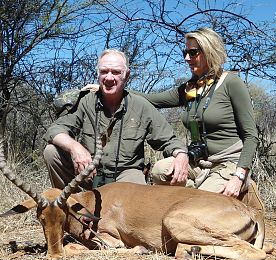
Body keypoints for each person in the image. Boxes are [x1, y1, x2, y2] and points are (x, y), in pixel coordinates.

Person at [81, 28, 259, 199]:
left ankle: (224, 191)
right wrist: (108, 90)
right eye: (185, 53)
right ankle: (196, 196)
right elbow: (153, 99)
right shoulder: (191, 88)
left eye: (193, 52)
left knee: (202, 206)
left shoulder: (231, 83)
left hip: (228, 162)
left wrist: (240, 175)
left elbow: (251, 135)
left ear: (209, 51)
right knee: (161, 171)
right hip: (199, 162)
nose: (187, 58)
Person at [43, 49, 189, 190]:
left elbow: (169, 140)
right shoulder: (84, 101)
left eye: (116, 72)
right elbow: (55, 130)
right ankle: (70, 209)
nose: (109, 78)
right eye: (104, 71)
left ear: (126, 75)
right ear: (98, 74)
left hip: (125, 176)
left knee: (133, 198)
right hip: (89, 172)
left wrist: (181, 155)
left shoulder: (141, 105)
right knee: (51, 152)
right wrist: (76, 148)